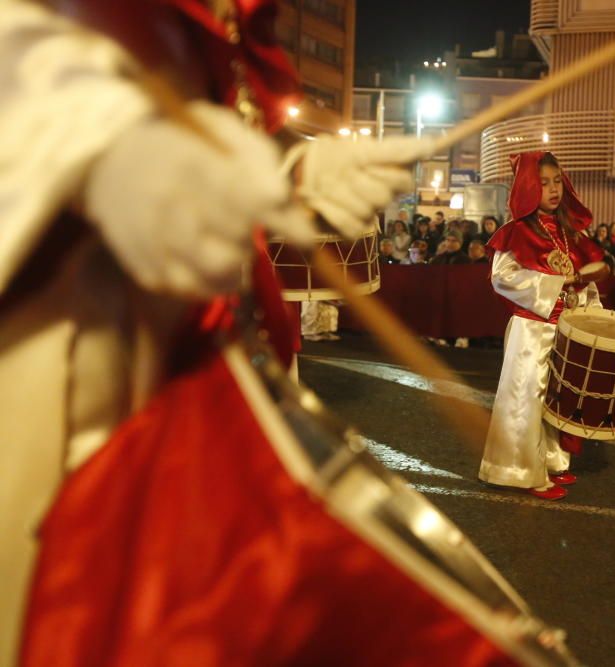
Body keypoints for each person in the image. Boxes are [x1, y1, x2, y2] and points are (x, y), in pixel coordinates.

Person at [0, 1, 436, 663]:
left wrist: (294, 170)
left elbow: (202, 105)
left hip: (172, 356)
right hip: (47, 347)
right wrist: (105, 148)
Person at [479, 151, 604, 500]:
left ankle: (549, 462)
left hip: (562, 328)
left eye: (557, 181)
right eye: (544, 182)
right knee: (525, 400)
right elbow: (501, 277)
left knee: (554, 400)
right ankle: (519, 472)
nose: (553, 189)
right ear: (530, 186)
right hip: (532, 329)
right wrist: (554, 286)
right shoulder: (516, 231)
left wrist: (590, 309)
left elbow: (581, 279)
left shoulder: (567, 232)